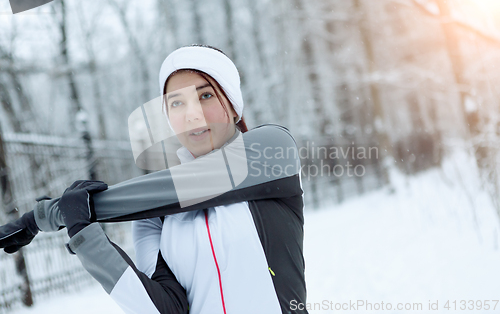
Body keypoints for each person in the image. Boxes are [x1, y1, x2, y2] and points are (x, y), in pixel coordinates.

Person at [0, 45, 308, 314]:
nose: (193, 114)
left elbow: (186, 185)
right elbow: (163, 309)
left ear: (232, 104)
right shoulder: (155, 217)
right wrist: (83, 234)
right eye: (177, 103)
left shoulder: (271, 152)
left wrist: (47, 215)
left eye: (205, 95)